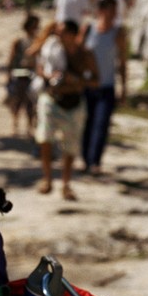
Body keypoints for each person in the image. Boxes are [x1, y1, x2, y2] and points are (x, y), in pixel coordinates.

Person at [33, 20, 98, 201]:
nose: (58, 35)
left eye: (62, 32)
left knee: (70, 147)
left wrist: (75, 81)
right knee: (45, 138)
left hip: (74, 102)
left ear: (72, 34)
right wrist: (49, 76)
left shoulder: (84, 54)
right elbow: (39, 66)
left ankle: (66, 184)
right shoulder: (51, 48)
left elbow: (95, 81)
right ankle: (47, 179)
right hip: (51, 99)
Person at [81, 0, 127, 175]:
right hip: (86, 86)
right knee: (87, 124)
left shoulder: (118, 32)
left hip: (107, 86)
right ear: (101, 10)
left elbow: (122, 62)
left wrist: (123, 88)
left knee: (101, 125)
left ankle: (95, 162)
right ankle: (85, 159)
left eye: (116, 10)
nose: (115, 13)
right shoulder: (88, 29)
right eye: (111, 9)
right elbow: (78, 54)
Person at [5, 14, 40, 136]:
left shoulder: (37, 40)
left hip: (32, 74)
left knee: (31, 103)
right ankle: (15, 125)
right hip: (19, 74)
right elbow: (12, 59)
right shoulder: (19, 40)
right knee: (17, 101)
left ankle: (29, 127)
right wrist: (8, 74)